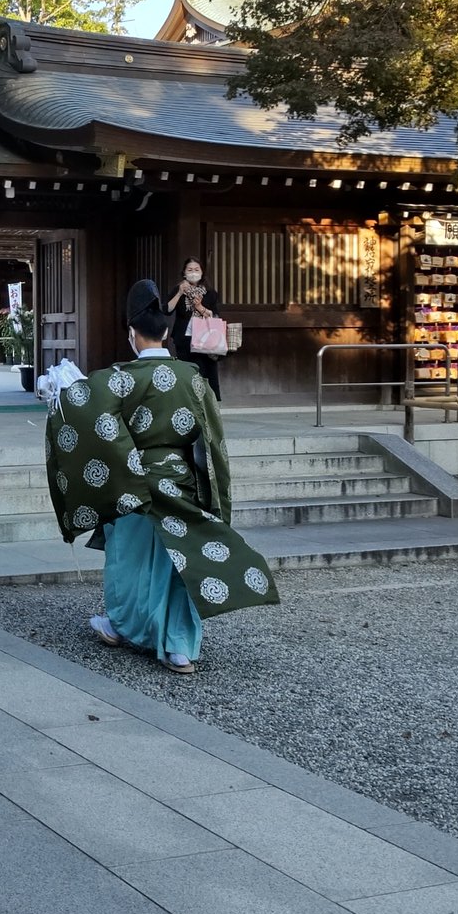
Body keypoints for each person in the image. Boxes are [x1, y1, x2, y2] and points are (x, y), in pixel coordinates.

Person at [44, 279, 278, 674]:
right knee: (180, 562)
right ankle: (179, 647)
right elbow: (211, 443)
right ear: (169, 332)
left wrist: (58, 392)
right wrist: (210, 492)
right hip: (180, 481)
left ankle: (121, 626)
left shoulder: (119, 378)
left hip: (132, 483)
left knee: (128, 558)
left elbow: (81, 410)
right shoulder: (193, 379)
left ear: (132, 334)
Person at [166, 255, 223, 401]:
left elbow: (214, 315)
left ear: (202, 272)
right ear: (184, 273)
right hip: (184, 340)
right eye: (190, 269)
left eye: (196, 269)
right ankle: (189, 401)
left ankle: (207, 403)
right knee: (188, 372)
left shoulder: (210, 293)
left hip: (205, 340)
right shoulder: (178, 290)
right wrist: (179, 293)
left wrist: (199, 307)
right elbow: (167, 309)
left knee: (205, 373)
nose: (193, 272)